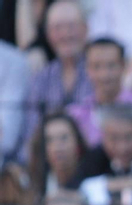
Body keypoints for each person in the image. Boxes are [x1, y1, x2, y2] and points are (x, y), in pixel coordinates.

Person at [66, 37, 132, 148]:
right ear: (87, 69)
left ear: (124, 66)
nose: (104, 74)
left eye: (111, 65)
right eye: (96, 66)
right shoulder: (75, 116)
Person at [21, 0, 92, 148]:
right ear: (48, 34)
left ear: (86, 29)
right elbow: (30, 134)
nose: (65, 34)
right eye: (57, 28)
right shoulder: (40, 79)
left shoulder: (100, 73)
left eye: (71, 26)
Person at [28, 112, 87, 202]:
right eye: (49, 140)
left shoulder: (93, 175)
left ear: (77, 142)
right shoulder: (35, 183)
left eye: (64, 138)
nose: (57, 147)